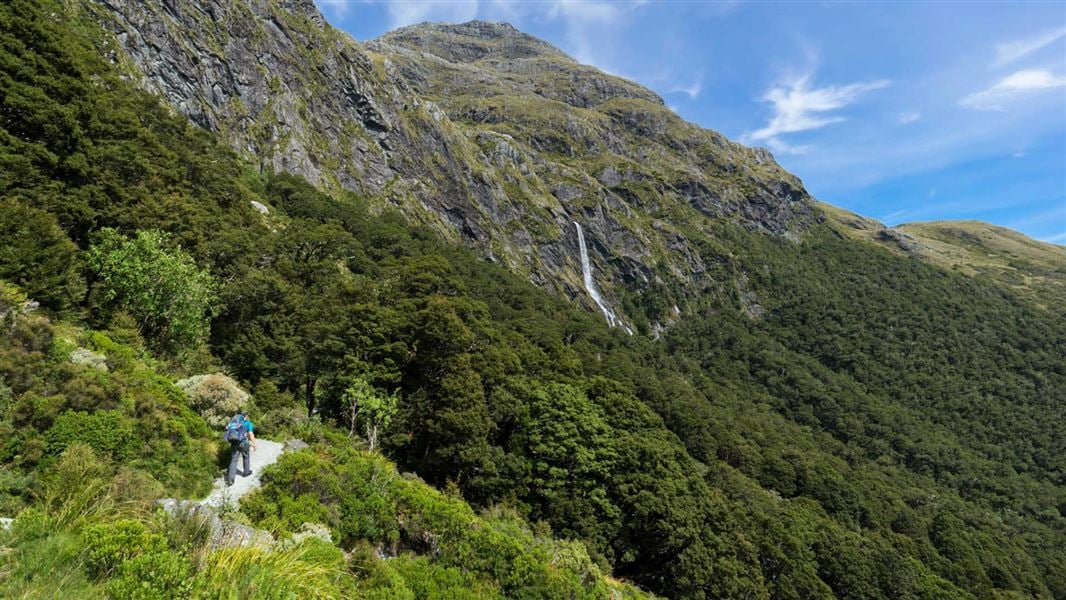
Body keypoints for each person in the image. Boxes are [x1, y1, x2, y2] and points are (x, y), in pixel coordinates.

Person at [225, 409, 257, 487]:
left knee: (233, 460)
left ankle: (230, 480)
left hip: (234, 442)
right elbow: (250, 434)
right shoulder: (248, 423)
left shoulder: (233, 423)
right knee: (246, 456)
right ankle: (246, 472)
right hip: (243, 442)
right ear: (246, 416)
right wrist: (254, 443)